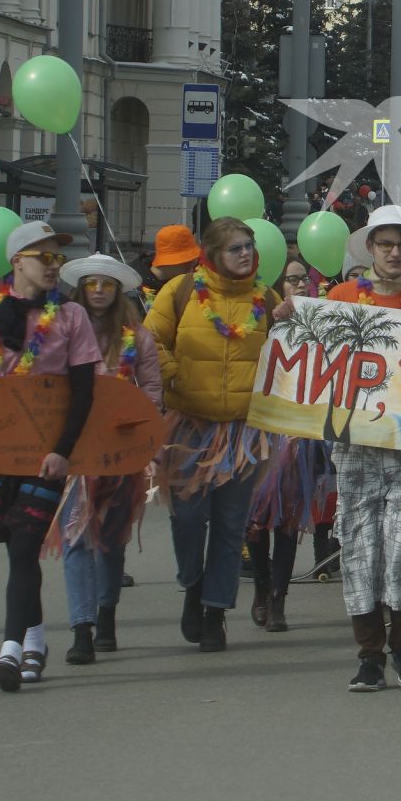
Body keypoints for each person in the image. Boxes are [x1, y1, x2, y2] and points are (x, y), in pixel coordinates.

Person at [0, 222, 103, 692]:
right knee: (16, 549)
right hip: (2, 454)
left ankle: (8, 647)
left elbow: (84, 391)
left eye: (57, 259)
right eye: (44, 257)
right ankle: (36, 640)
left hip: (49, 455)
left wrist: (63, 451)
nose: (53, 266)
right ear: (17, 261)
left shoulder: (70, 318)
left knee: (26, 543)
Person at [147, 218, 291, 656]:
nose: (246, 253)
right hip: (191, 426)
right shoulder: (181, 293)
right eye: (235, 248)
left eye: (249, 246)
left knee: (231, 525)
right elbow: (148, 340)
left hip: (244, 435)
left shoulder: (267, 299)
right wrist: (175, 375)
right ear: (211, 256)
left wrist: (291, 324)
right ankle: (192, 586)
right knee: (188, 519)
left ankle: (214, 612)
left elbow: (291, 357)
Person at [325, 205, 401, 692]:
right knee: (360, 545)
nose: (394, 253)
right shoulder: (339, 298)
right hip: (356, 444)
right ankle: (369, 655)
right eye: (385, 245)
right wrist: (290, 316)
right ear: (371, 249)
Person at [57, 254, 163, 663]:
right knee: (75, 536)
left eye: (106, 283)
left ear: (117, 290)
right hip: (75, 450)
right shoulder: (60, 332)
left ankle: (106, 615)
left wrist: (142, 437)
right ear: (80, 289)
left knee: (111, 540)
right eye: (91, 283)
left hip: (121, 452)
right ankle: (81, 628)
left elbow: (151, 390)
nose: (98, 290)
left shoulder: (137, 338)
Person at [244, 256, 324, 635]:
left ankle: (278, 599)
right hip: (260, 431)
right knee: (256, 520)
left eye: (305, 278)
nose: (301, 284)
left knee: (288, 521)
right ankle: (261, 585)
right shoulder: (261, 319)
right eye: (293, 279)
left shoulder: (321, 321)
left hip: (298, 434)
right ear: (281, 285)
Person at [144, 224, 203, 316]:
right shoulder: (135, 291)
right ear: (169, 262)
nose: (192, 268)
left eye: (194, 261)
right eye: (187, 262)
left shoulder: (193, 280)